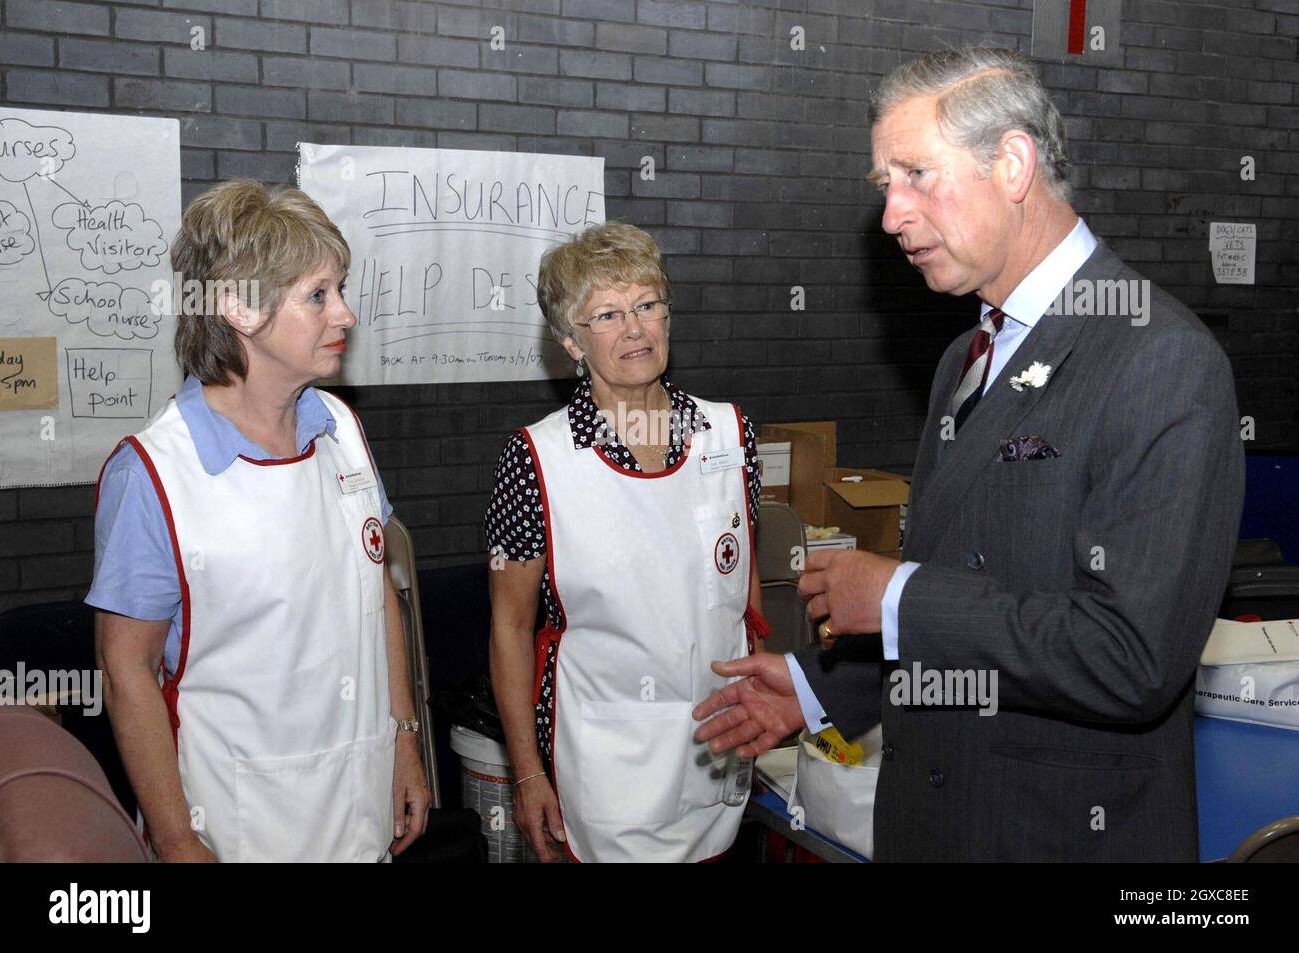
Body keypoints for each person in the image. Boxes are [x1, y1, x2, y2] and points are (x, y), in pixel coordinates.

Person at [695, 47, 1244, 862]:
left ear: (1013, 164)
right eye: (887, 185)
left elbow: (1132, 657)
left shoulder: (1159, 357)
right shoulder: (966, 357)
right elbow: (973, 600)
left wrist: (896, 598)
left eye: (917, 174)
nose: (892, 216)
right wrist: (818, 687)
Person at [87, 180, 430, 862]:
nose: (346, 314)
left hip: (361, 811)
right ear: (240, 309)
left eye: (341, 289)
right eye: (319, 294)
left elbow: (377, 593)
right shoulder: (153, 474)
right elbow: (127, 670)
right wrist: (179, 837)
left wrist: (403, 736)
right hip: (238, 829)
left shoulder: (341, 428)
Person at [485, 222, 767, 862]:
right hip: (607, 769)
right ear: (569, 341)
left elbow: (743, 591)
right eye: (607, 315)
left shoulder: (730, 434)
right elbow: (509, 626)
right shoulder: (537, 460)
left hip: (720, 752)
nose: (635, 330)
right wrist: (526, 772)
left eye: (646, 305)